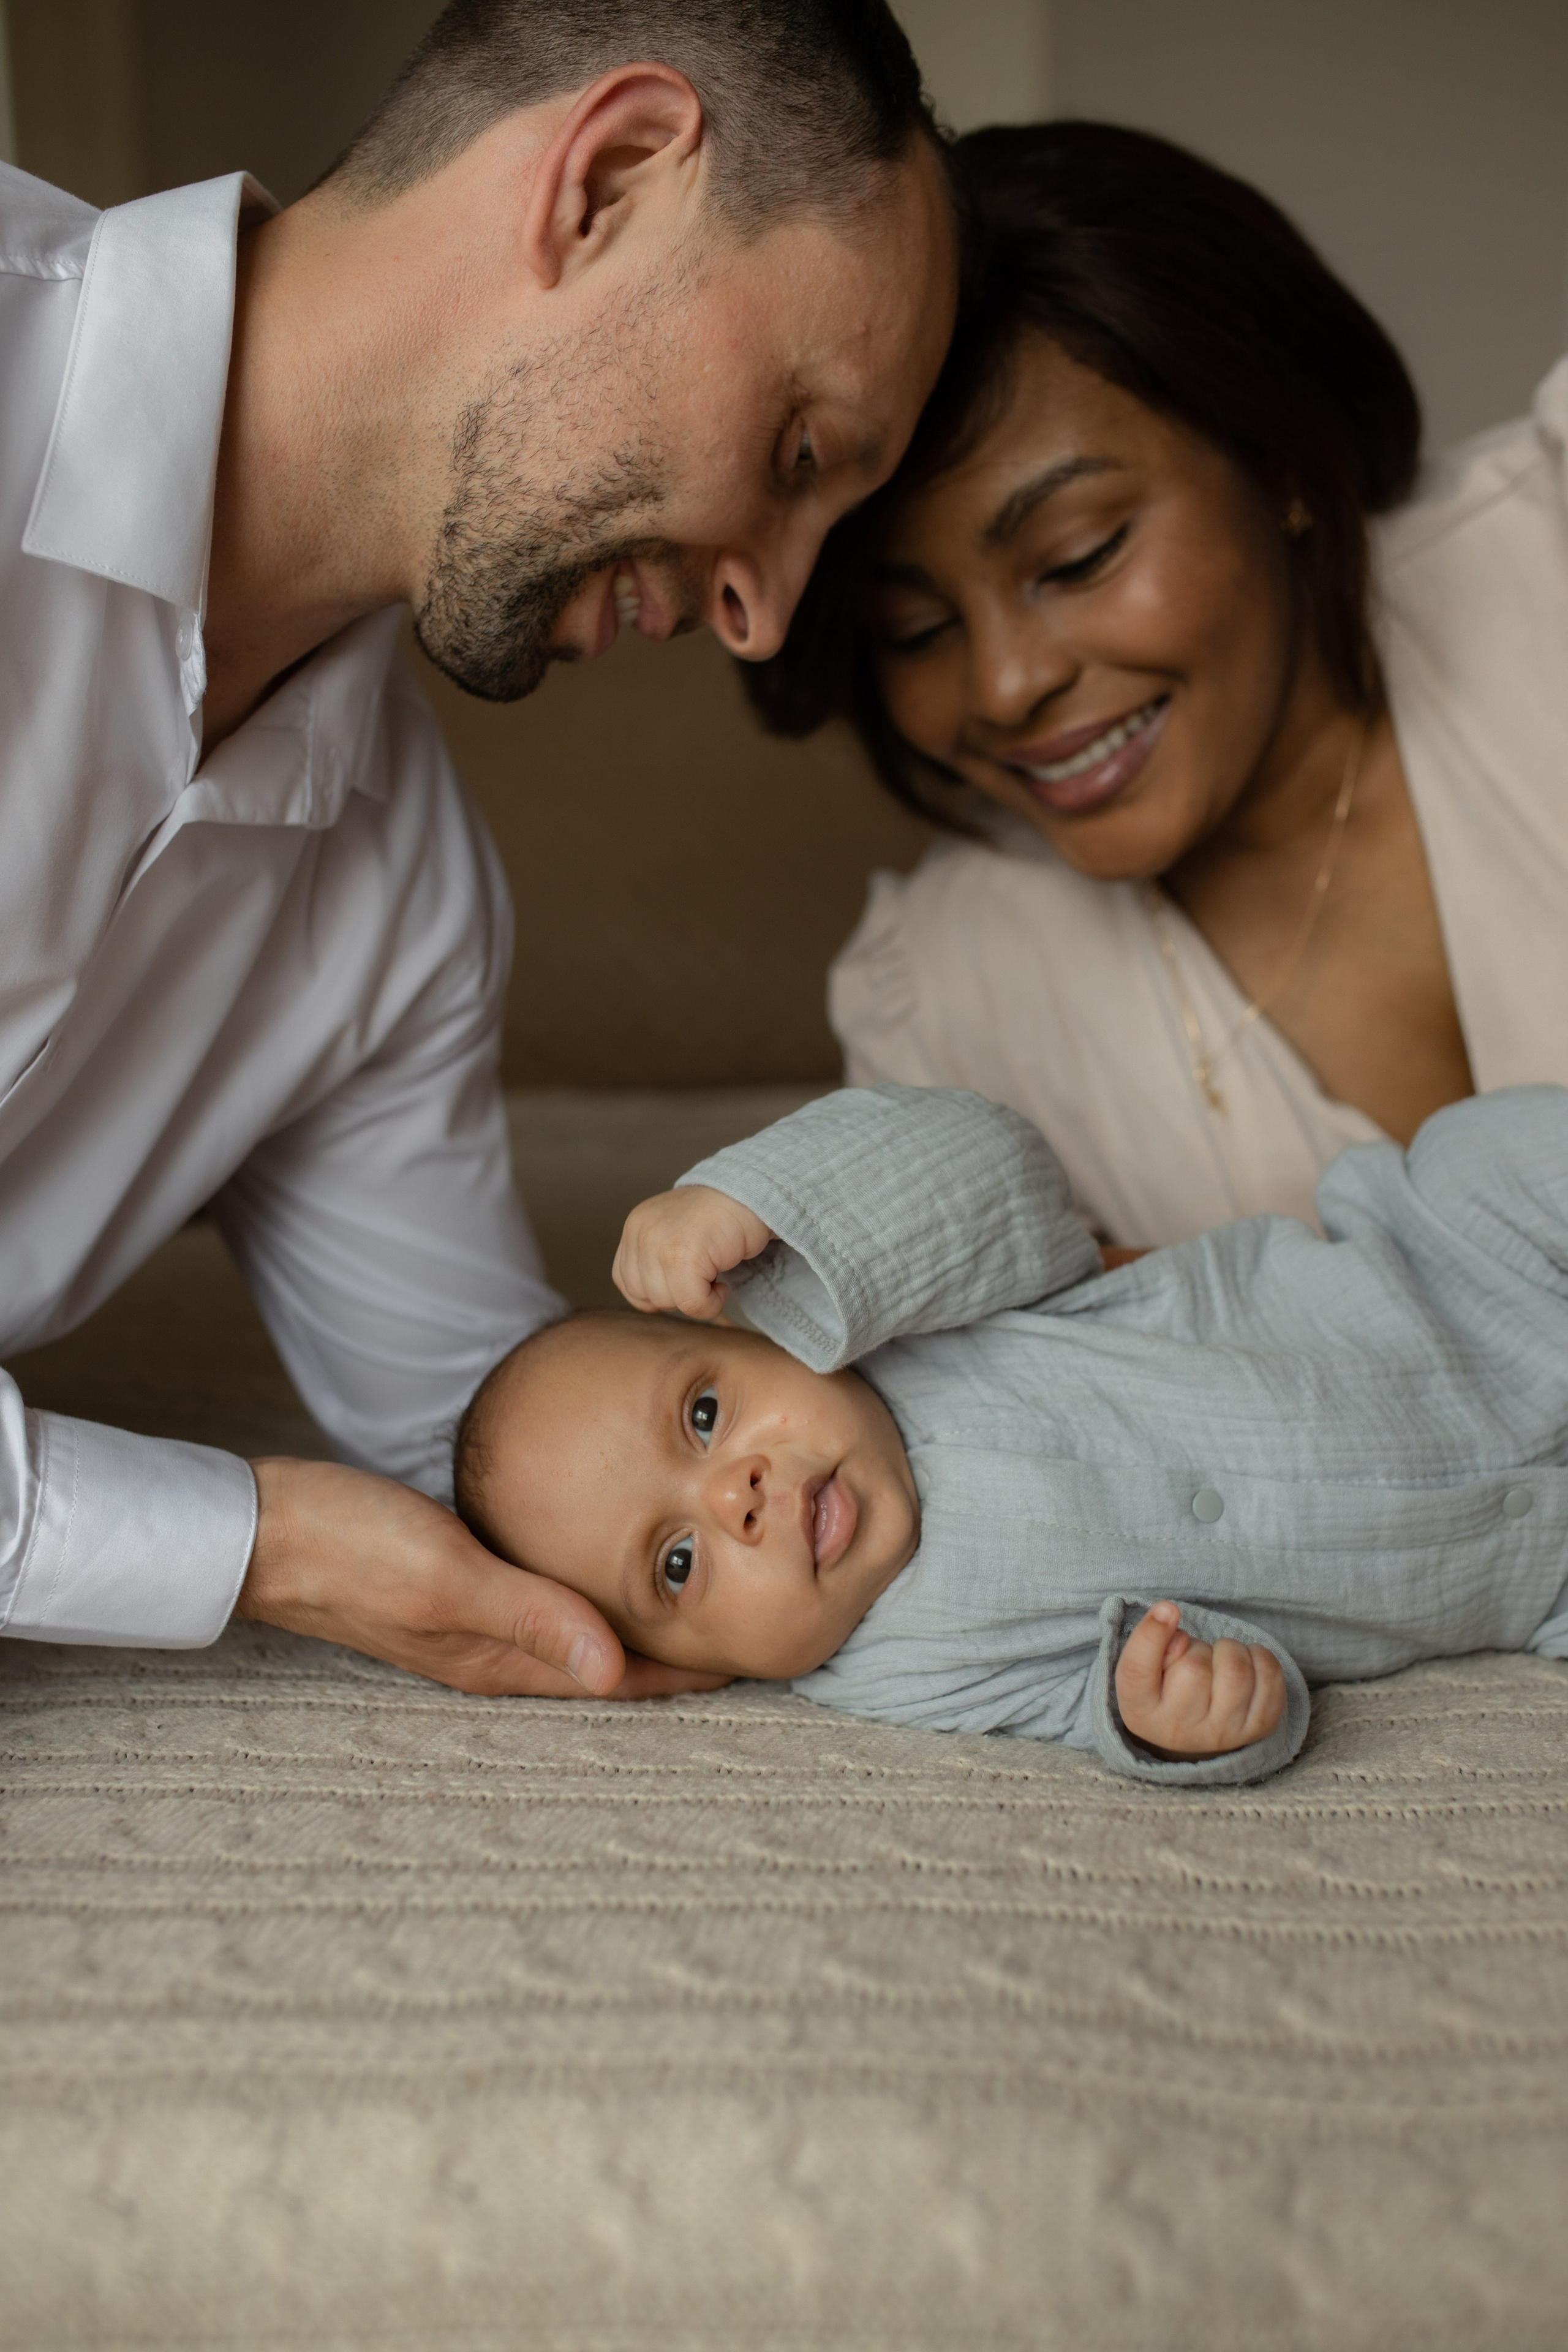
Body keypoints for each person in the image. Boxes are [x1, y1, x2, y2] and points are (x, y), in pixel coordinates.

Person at [0, 0, 958, 1691]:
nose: (764, 616)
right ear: (613, 177)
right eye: (803, 452)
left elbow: (511, 1448)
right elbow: (322, 1538)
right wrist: (259, 1543)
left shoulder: (400, 899)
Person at [746, 121, 1568, 1248]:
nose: (1004, 685)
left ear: (1277, 457)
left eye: (1080, 556)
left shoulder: (1548, 566)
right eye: (916, 628)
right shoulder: (948, 1016)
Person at [453, 1082, 1568, 1786]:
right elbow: (1108, 1695)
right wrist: (1179, 1719)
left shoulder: (908, 1314)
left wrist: (757, 1202)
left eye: (705, 1415)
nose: (733, 1497)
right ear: (691, 1667)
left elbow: (995, 1169)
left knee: (1495, 1159)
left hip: (1463, 1280)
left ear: (764, 1328)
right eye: (678, 1563)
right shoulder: (904, 1675)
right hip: (1526, 1582)